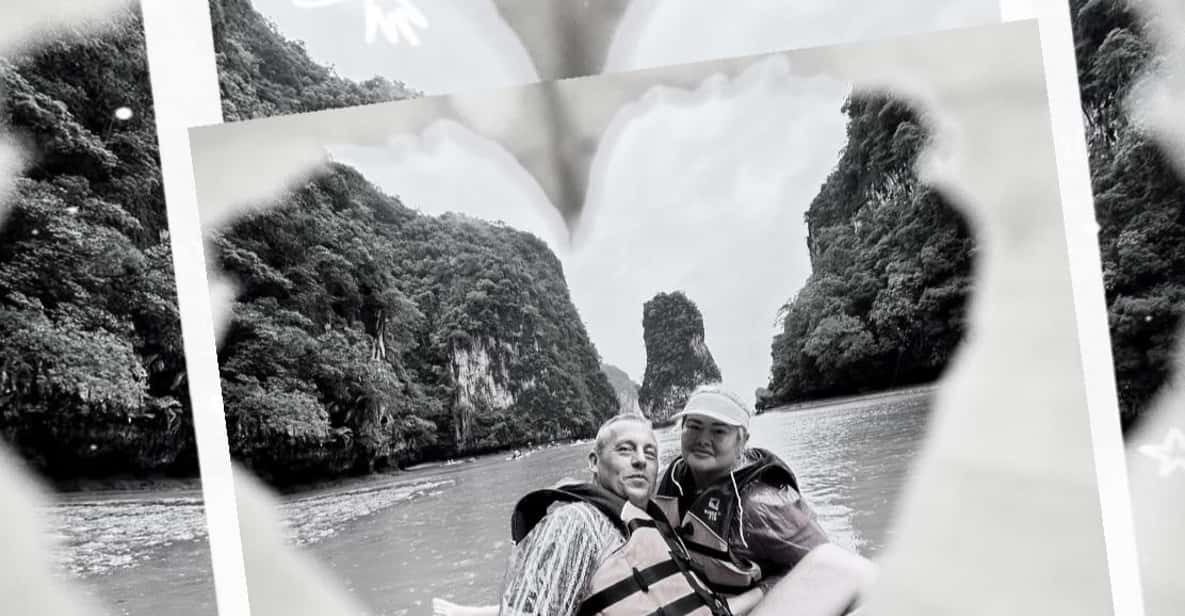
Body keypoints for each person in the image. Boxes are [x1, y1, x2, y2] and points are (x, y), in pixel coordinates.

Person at [654, 385, 877, 614]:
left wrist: (744, 601)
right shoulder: (664, 483)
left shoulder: (762, 505)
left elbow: (829, 570)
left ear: (742, 441)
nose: (702, 440)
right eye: (693, 426)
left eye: (719, 431)